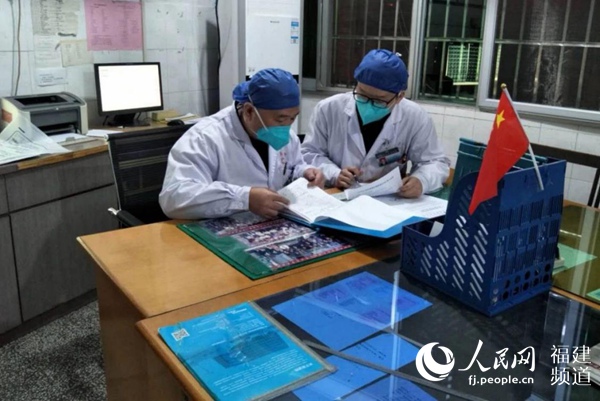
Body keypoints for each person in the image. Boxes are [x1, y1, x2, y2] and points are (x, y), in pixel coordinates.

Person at [159, 68, 324, 219]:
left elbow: (291, 167)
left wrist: (304, 173)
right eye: (280, 119)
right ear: (249, 111)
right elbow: (174, 197)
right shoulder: (204, 138)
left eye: (292, 118)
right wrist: (244, 199)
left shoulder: (287, 136)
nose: (286, 126)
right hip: (221, 231)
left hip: (273, 224)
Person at [301, 49, 450, 197]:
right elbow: (309, 153)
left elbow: (435, 162)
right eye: (362, 95)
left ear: (399, 97)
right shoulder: (328, 109)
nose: (369, 104)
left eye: (379, 100)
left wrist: (422, 180)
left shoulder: (415, 117)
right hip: (337, 194)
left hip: (387, 199)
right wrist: (335, 173)